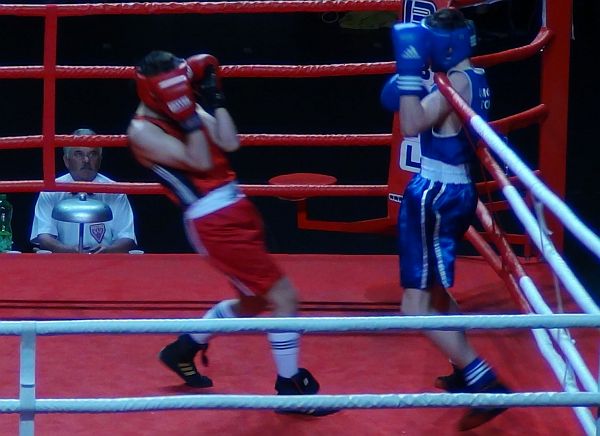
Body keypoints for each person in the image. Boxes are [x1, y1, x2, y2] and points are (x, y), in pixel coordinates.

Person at [127, 50, 336, 416]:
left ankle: (184, 349)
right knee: (285, 298)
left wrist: (213, 95)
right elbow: (200, 161)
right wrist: (186, 113)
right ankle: (290, 387)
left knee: (255, 302)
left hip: (235, 205)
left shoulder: (183, 104)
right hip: (212, 221)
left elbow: (229, 142)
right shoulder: (142, 131)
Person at [384, 7, 511, 431]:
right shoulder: (473, 76)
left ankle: (485, 381)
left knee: (413, 306)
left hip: (435, 193)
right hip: (454, 188)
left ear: (446, 46)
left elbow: (411, 125)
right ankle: (463, 371)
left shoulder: (454, 82)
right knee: (436, 293)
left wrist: (408, 73)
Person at [30, 128, 137, 253]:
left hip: (105, 261)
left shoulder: (115, 191)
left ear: (100, 160)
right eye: (78, 154)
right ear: (66, 161)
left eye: (93, 154)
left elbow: (127, 237)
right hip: (62, 260)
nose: (86, 160)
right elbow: (44, 237)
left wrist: (108, 250)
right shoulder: (51, 190)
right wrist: (69, 251)